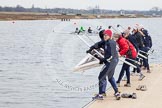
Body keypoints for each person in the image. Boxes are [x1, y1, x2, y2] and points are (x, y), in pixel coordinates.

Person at [86, 29, 120, 100]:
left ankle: (100, 95)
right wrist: (90, 49)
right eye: (104, 35)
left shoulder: (111, 43)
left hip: (111, 61)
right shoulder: (105, 42)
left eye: (106, 35)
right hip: (112, 61)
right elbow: (97, 44)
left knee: (101, 77)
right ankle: (117, 92)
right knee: (110, 77)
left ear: (110, 36)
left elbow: (110, 55)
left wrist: (102, 60)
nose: (104, 36)